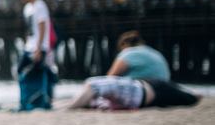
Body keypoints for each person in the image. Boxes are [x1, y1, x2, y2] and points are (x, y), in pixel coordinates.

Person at [67, 31, 200, 110]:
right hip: (158, 92)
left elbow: (110, 76)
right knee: (99, 96)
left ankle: (71, 106)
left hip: (144, 88)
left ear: (124, 45)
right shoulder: (152, 52)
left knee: (96, 87)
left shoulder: (129, 53)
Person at [17, 0, 57, 110]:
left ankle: (40, 101)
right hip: (29, 47)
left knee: (39, 72)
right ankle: (28, 101)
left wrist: (39, 49)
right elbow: (29, 30)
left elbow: (42, 27)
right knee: (23, 71)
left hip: (38, 48)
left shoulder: (40, 6)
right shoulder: (27, 8)